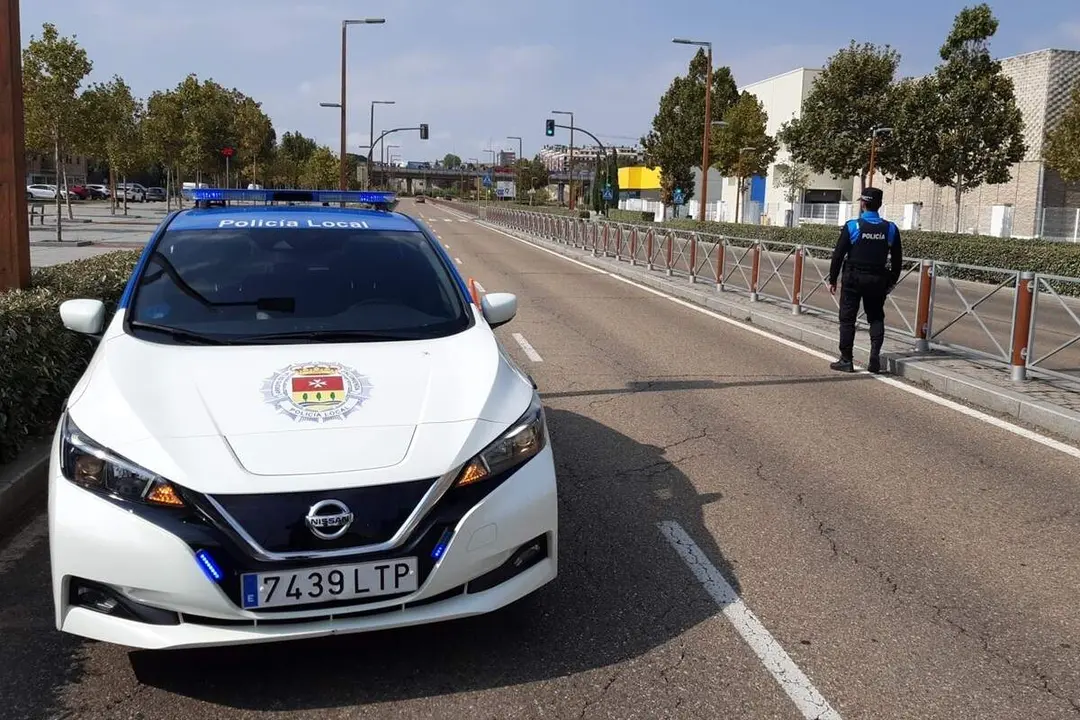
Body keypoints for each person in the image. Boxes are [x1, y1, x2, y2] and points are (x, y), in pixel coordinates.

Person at [827, 187, 902, 374]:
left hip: (853, 279)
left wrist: (833, 279)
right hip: (877, 280)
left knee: (847, 319)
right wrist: (891, 281)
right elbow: (897, 260)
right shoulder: (890, 228)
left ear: (863, 204)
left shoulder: (853, 226)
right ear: (880, 204)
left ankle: (846, 360)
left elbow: (838, 255)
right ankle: (874, 358)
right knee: (876, 317)